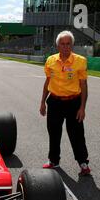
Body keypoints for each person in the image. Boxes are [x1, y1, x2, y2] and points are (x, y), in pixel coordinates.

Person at [39, 30, 91, 176]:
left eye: (68, 44)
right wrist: (43, 102)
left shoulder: (80, 61)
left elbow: (84, 86)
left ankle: (83, 163)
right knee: (54, 133)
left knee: (77, 134)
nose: (65, 46)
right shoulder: (50, 60)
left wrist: (82, 108)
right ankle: (53, 160)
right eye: (62, 44)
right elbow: (47, 82)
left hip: (73, 103)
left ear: (72, 45)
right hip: (54, 102)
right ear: (57, 45)